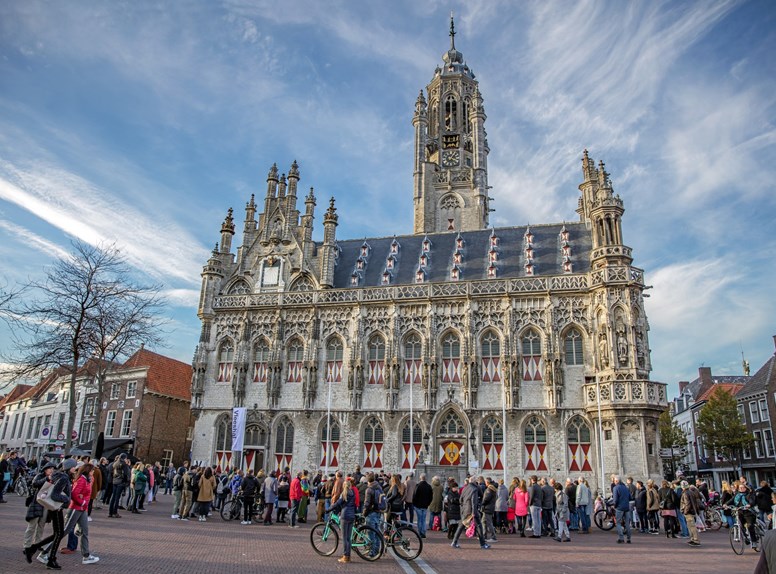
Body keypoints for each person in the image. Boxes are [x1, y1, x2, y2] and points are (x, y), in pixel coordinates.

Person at [27, 458, 77, 570]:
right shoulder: (64, 478)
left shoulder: (61, 476)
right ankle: (50, 559)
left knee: (58, 534)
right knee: (59, 533)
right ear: (69, 467)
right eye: (74, 466)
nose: (75, 468)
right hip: (56, 508)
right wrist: (67, 499)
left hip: (55, 508)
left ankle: (34, 549)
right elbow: (55, 495)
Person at [61, 462, 100, 564]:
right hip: (76, 508)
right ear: (88, 470)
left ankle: (86, 556)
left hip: (82, 509)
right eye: (92, 470)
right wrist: (82, 501)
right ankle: (46, 550)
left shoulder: (87, 479)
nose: (93, 472)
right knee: (65, 531)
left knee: (85, 532)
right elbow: (74, 493)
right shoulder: (82, 479)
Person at [23, 462, 56, 563]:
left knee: (41, 525)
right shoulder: (40, 476)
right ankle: (27, 546)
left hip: (45, 503)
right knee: (32, 525)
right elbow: (34, 484)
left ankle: (37, 543)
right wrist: (46, 479)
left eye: (53, 469)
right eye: (50, 468)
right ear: (45, 469)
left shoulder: (53, 478)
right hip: (37, 503)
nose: (52, 470)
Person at [451, 478, 489, 549]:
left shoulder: (465, 488)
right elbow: (473, 501)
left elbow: (460, 499)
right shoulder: (474, 489)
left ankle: (454, 542)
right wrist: (474, 512)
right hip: (471, 511)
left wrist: (463, 507)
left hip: (465, 510)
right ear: (475, 482)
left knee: (461, 526)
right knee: (479, 526)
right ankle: (483, 544)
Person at [329, 477, 357, 563]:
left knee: (344, 538)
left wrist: (329, 509)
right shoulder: (353, 493)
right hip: (352, 516)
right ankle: (348, 556)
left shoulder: (344, 493)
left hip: (345, 516)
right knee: (348, 538)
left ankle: (345, 556)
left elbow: (338, 503)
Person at [731, 480, 759, 550]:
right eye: (739, 488)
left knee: (750, 526)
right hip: (740, 513)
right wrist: (725, 504)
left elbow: (752, 501)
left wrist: (749, 504)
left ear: (746, 488)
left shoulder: (748, 494)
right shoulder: (737, 495)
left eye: (742, 488)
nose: (741, 489)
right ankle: (746, 537)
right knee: (740, 525)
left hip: (749, 513)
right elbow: (731, 500)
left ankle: (754, 541)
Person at [363, 473, 384, 557]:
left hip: (371, 513)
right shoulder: (379, 487)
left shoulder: (369, 489)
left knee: (371, 533)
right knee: (377, 532)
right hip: (378, 512)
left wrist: (364, 513)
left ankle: (372, 552)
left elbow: (367, 503)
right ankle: (377, 549)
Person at [679, 480, 702, 547]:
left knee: (692, 526)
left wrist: (685, 511)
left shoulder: (685, 493)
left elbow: (687, 504)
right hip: (693, 511)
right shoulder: (691, 492)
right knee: (691, 526)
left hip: (689, 512)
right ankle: (693, 539)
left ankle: (696, 540)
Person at [611, 475, 632, 544]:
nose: (614, 482)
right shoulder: (626, 487)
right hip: (626, 507)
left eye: (614, 481)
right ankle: (629, 538)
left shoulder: (616, 488)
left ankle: (621, 538)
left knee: (618, 523)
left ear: (617, 481)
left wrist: (615, 506)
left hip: (619, 507)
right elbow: (630, 497)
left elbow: (615, 499)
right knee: (627, 523)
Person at [108, 454, 130, 518]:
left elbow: (112, 472)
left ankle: (110, 512)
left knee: (113, 497)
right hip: (120, 481)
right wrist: (125, 481)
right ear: (124, 458)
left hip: (115, 481)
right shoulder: (124, 464)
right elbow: (125, 474)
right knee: (117, 498)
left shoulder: (115, 464)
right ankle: (115, 512)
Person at [481, 477, 498, 542]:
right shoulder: (492, 488)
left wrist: (482, 503)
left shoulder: (489, 489)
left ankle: (493, 537)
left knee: (489, 523)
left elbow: (486, 498)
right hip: (489, 507)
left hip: (487, 508)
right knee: (484, 521)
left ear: (487, 482)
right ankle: (484, 535)